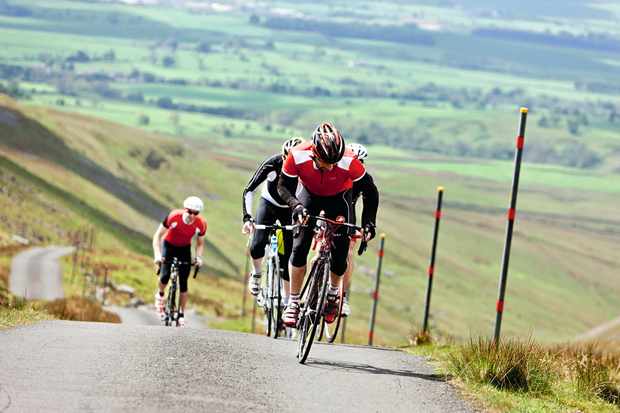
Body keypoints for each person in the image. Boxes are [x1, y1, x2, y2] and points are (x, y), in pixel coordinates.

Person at [277, 122, 379, 327]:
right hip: (309, 196)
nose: (331, 166)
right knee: (299, 248)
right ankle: (294, 302)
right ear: (314, 153)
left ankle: (333, 293)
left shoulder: (349, 161)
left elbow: (371, 192)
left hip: (339, 198)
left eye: (335, 161)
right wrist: (295, 206)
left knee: (341, 252)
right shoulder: (297, 155)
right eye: (327, 161)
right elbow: (283, 187)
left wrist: (369, 223)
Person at [241, 137, 304, 306]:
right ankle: (256, 274)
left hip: (288, 210)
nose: (287, 163)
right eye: (285, 158)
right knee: (257, 244)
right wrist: (247, 218)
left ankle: (287, 299)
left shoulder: (305, 169)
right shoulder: (272, 163)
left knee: (286, 256)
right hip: (268, 204)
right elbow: (249, 190)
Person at [152, 196, 207, 327]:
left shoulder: (201, 224)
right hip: (169, 245)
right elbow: (157, 236)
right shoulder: (173, 216)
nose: (192, 215)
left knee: (183, 283)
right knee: (164, 276)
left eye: (196, 213)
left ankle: (181, 314)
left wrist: (198, 258)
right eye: (189, 211)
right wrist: (158, 255)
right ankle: (160, 295)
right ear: (184, 209)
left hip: (184, 249)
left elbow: (199, 244)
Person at [341, 143, 373, 318]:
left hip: (348, 214)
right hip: (329, 207)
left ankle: (343, 297)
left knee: (349, 253)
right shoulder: (338, 171)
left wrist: (367, 226)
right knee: (318, 250)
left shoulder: (362, 179)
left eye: (360, 162)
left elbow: (369, 204)